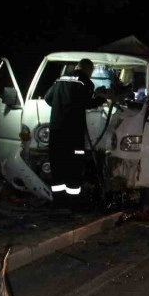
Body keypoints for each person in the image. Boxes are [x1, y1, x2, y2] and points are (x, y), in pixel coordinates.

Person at [44, 58, 108, 209]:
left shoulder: (61, 79)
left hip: (56, 130)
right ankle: (72, 202)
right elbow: (87, 103)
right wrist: (101, 99)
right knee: (74, 165)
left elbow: (48, 98)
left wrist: (60, 107)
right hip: (73, 131)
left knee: (58, 164)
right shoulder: (85, 82)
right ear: (89, 70)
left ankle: (58, 201)